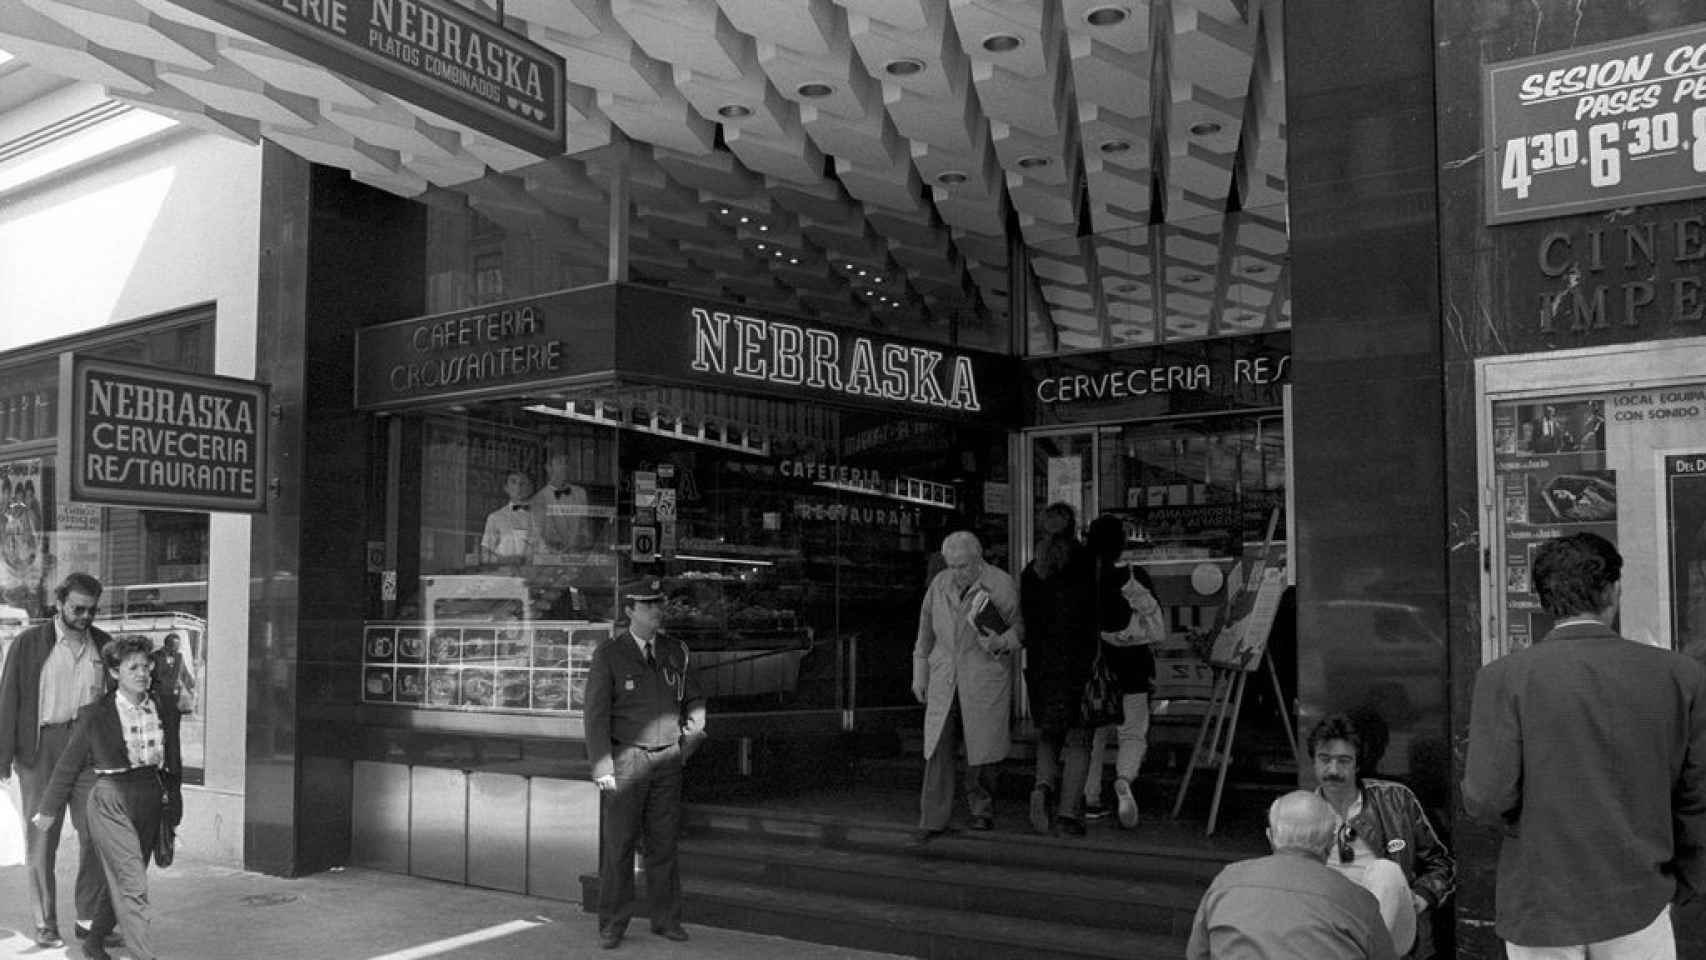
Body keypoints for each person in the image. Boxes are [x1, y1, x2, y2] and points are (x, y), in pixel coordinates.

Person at [1463, 532, 1706, 958]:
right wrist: (1682, 882)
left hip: (1540, 903)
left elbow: (1486, 799)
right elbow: (1697, 797)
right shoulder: (1679, 677)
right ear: (1613, 590)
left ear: (1542, 601)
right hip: (1640, 897)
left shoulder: (1503, 678)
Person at [32, 634, 183, 960]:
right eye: (133, 667)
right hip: (109, 800)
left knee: (125, 877)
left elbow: (174, 762)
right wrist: (47, 810)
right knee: (133, 883)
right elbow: (68, 766)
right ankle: (144, 955)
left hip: (150, 798)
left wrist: (174, 805)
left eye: (146, 665)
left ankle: (93, 940)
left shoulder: (164, 706)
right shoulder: (96, 714)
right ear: (115, 673)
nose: (142, 673)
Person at [584, 578, 707, 950]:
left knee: (664, 843)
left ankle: (666, 920)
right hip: (626, 760)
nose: (657, 610)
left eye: (659, 603)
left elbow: (696, 703)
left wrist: (688, 743)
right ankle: (613, 923)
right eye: (648, 604)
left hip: (667, 759)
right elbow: (595, 716)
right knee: (619, 845)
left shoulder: (676, 651)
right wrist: (602, 766)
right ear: (629, 611)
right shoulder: (610, 654)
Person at [0, 571, 114, 950]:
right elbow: (8, 700)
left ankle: (87, 919)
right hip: (41, 747)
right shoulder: (29, 644)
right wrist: (3, 759)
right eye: (77, 608)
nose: (84, 616)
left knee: (97, 834)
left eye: (91, 610)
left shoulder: (104, 645)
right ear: (59, 603)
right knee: (41, 838)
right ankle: (45, 923)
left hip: (88, 750)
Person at [1187, 790, 1398, 960]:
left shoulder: (1226, 881)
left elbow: (1197, 954)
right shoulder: (1358, 900)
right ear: (1332, 841)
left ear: (1270, 836)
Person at [1309, 713, 1455, 959]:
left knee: (1385, 872)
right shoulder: (1301, 814)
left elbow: (1442, 863)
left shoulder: (1396, 800)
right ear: (1314, 762)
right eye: (1324, 759)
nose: (1333, 770)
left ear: (1357, 764)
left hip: (1389, 926)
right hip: (1329, 928)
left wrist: (1421, 897)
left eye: (1343, 761)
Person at [911, 529, 1021, 845]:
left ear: (978, 559)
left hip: (983, 671)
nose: (957, 572)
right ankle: (932, 816)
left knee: (981, 747)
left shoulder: (1001, 583)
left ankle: (982, 809)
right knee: (937, 745)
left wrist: (1001, 641)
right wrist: (919, 674)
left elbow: (1020, 629)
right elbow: (924, 633)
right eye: (952, 565)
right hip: (946, 673)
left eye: (963, 566)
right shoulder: (939, 583)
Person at [1020, 503, 1097, 837]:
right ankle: (1067, 814)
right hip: (1076, 665)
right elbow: (1094, 615)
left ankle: (1041, 787)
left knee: (1049, 734)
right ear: (1073, 527)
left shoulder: (1031, 571)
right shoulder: (1084, 563)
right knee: (1080, 740)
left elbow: (1028, 620)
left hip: (1041, 665)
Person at [1082, 514, 1158, 829]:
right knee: (1132, 732)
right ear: (1121, 543)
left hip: (1094, 670)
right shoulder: (1133, 575)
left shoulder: (1082, 579)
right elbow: (1154, 616)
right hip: (1134, 667)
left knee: (1095, 735)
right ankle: (1124, 778)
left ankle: (1090, 797)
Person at [530, 450, 590, 556]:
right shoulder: (539, 498)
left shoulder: (581, 493)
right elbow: (539, 533)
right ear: (548, 468)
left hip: (577, 555)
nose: (565, 466)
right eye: (559, 462)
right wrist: (557, 552)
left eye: (566, 462)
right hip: (552, 556)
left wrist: (582, 545)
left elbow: (584, 526)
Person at [481, 470, 535, 562]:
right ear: (506, 488)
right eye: (514, 482)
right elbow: (485, 555)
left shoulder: (542, 517)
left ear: (530, 488)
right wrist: (506, 560)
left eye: (523, 483)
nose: (518, 487)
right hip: (504, 573)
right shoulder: (495, 517)